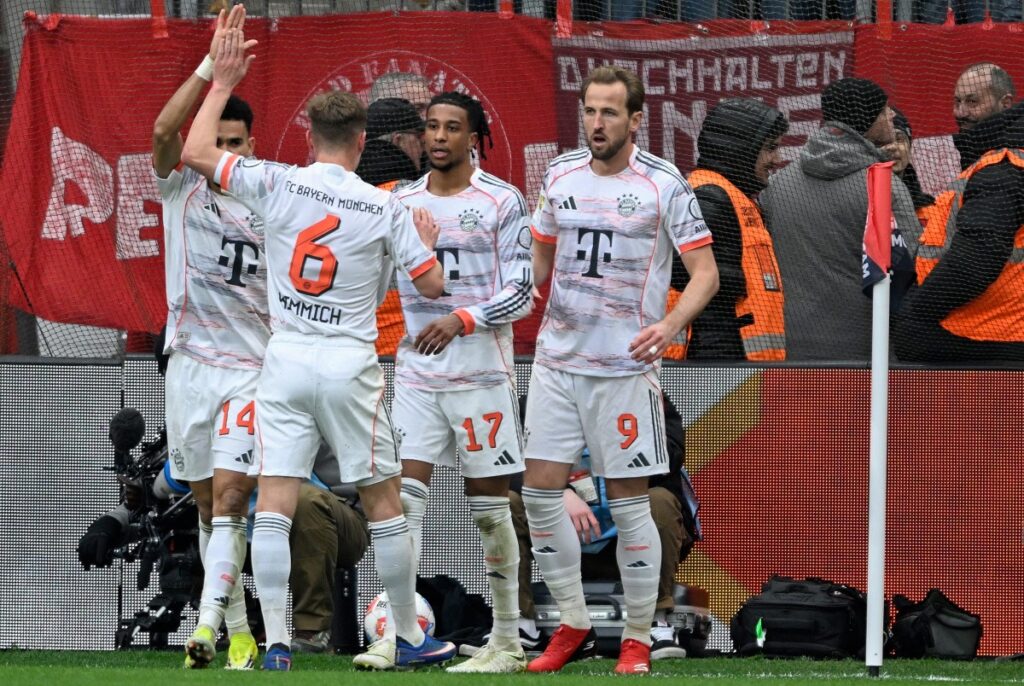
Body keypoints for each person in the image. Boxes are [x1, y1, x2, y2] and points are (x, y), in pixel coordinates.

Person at [180, 24, 453, 671]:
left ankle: (277, 644)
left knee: (272, 498)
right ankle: (410, 637)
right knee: (384, 501)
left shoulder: (274, 182)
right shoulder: (386, 209)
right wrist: (426, 235)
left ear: (310, 138)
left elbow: (192, 148)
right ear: (362, 142)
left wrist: (221, 82)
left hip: (286, 359)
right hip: (348, 364)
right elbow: (434, 286)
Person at [523, 65, 718, 675]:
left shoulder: (665, 184)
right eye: (589, 111)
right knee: (538, 493)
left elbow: (706, 274)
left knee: (632, 501)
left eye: (609, 112)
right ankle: (574, 623)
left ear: (636, 119)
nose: (596, 123)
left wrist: (667, 326)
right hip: (557, 362)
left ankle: (636, 636)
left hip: (623, 370)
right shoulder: (558, 175)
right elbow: (540, 259)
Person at [383, 91, 534, 674]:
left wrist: (464, 318)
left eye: (452, 128)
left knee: (490, 511)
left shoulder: (502, 200)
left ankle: (506, 641)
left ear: (475, 137)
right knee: (403, 505)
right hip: (418, 375)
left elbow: (522, 291)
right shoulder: (400, 202)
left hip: (480, 377)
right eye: (431, 128)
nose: (439, 137)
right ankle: (401, 634)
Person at [151, 5, 264, 670]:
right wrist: (208, 69)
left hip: (252, 367)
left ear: (253, 145)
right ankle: (238, 626)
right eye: (217, 141)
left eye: (239, 142)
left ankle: (207, 624)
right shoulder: (179, 187)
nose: (227, 152)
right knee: (204, 502)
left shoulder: (273, 194)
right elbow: (165, 129)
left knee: (231, 496)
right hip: (190, 363)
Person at [495, 393, 698, 661]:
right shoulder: (536, 402)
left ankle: (655, 622)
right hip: (558, 542)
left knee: (660, 500)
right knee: (506, 503)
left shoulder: (646, 396)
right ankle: (521, 625)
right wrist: (558, 491)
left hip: (629, 539)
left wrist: (619, 444)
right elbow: (506, 463)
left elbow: (671, 458)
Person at [760, 77, 919, 362]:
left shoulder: (776, 185)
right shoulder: (882, 185)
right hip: (866, 351)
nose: (892, 115)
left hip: (787, 344)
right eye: (884, 110)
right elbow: (911, 265)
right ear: (866, 118)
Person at [893, 102, 1024, 362]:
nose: (959, 112)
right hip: (992, 326)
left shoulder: (1004, 167)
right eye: (956, 101)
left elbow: (975, 261)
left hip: (984, 330)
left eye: (973, 101)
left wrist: (916, 311)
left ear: (1003, 104)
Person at [671, 98, 788, 361]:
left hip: (728, 365)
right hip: (713, 368)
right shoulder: (710, 201)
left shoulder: (730, 197)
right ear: (741, 149)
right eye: (770, 148)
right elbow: (698, 294)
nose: (776, 159)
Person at [356, 98, 424, 188]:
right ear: (398, 140)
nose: (423, 146)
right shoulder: (408, 190)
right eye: (418, 137)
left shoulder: (349, 184)